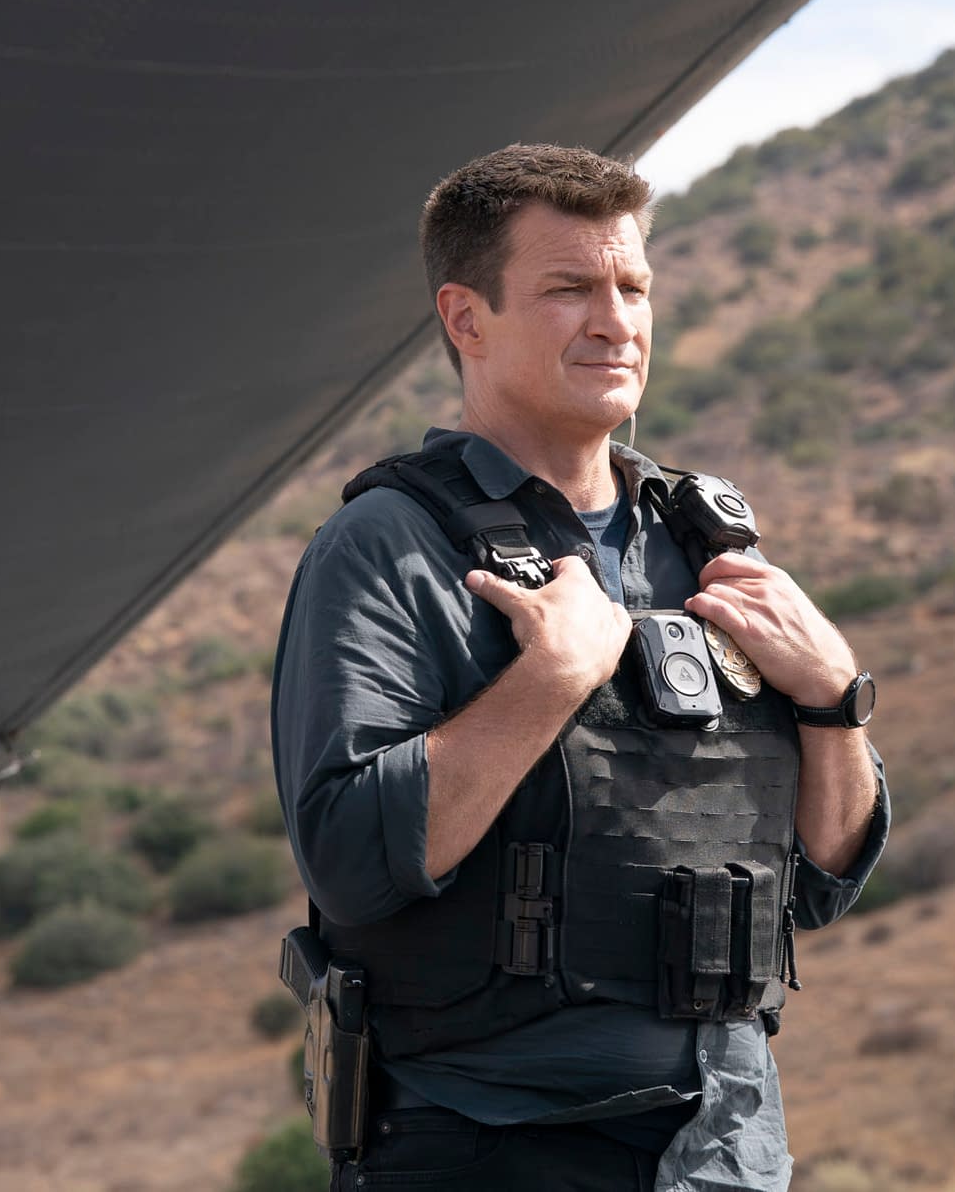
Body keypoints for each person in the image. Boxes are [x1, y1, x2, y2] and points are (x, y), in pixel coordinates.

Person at [271, 144, 888, 1192]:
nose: (615, 322)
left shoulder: (703, 545)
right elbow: (351, 861)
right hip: (487, 1142)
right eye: (569, 290)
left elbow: (824, 882)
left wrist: (835, 700)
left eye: (633, 288)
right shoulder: (386, 545)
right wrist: (549, 680)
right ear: (467, 319)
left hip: (723, 1143)